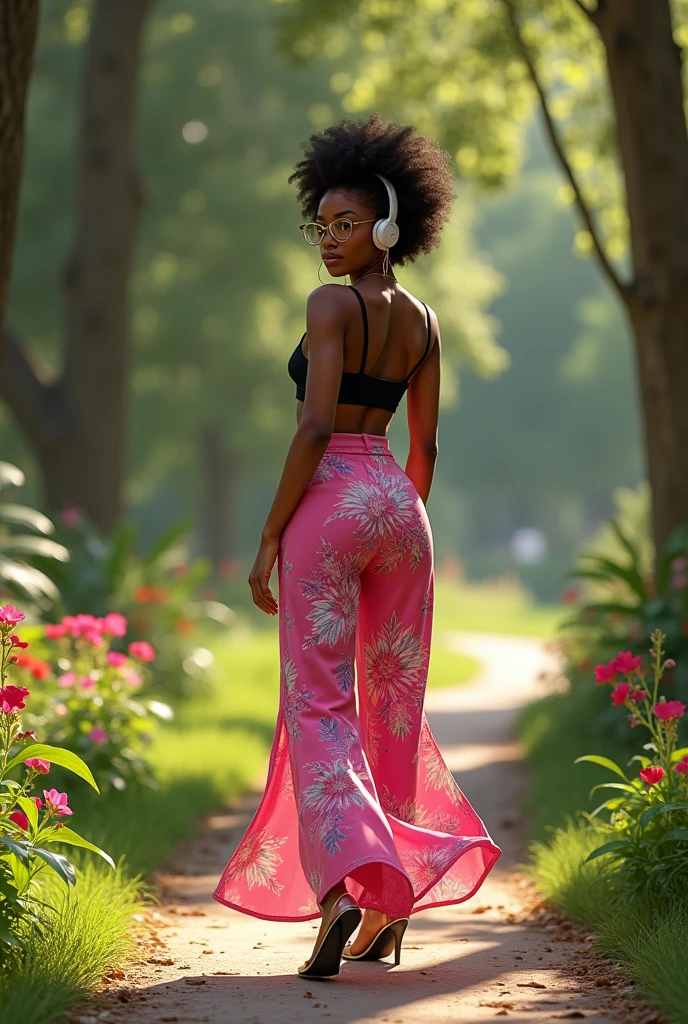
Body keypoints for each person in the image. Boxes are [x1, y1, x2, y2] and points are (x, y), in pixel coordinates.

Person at [212, 113, 501, 978]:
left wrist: (269, 538)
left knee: (320, 701)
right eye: (321, 225)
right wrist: (395, 519)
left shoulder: (330, 305)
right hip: (401, 510)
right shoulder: (425, 319)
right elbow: (428, 450)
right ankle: (391, 912)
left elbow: (311, 429)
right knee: (393, 705)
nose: (328, 242)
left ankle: (341, 888)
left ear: (386, 228)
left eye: (345, 225)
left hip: (330, 500)